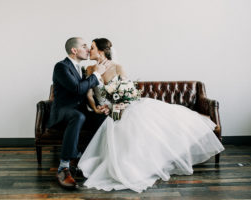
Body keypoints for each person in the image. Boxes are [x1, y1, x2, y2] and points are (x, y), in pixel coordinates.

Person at [78, 38, 225, 193]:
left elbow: (128, 91)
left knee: (135, 123)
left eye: (92, 47)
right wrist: (95, 109)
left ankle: (143, 165)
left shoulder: (118, 67)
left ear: (101, 51)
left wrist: (122, 104)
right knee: (118, 126)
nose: (89, 50)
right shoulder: (89, 70)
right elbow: (88, 94)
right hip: (109, 109)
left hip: (125, 105)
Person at [47, 37, 110, 189]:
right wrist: (97, 75)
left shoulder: (80, 68)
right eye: (84, 46)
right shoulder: (61, 67)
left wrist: (100, 108)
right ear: (74, 50)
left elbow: (86, 93)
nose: (88, 49)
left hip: (79, 112)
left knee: (102, 118)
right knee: (78, 116)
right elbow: (77, 89)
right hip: (62, 113)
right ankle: (63, 167)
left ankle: (86, 159)